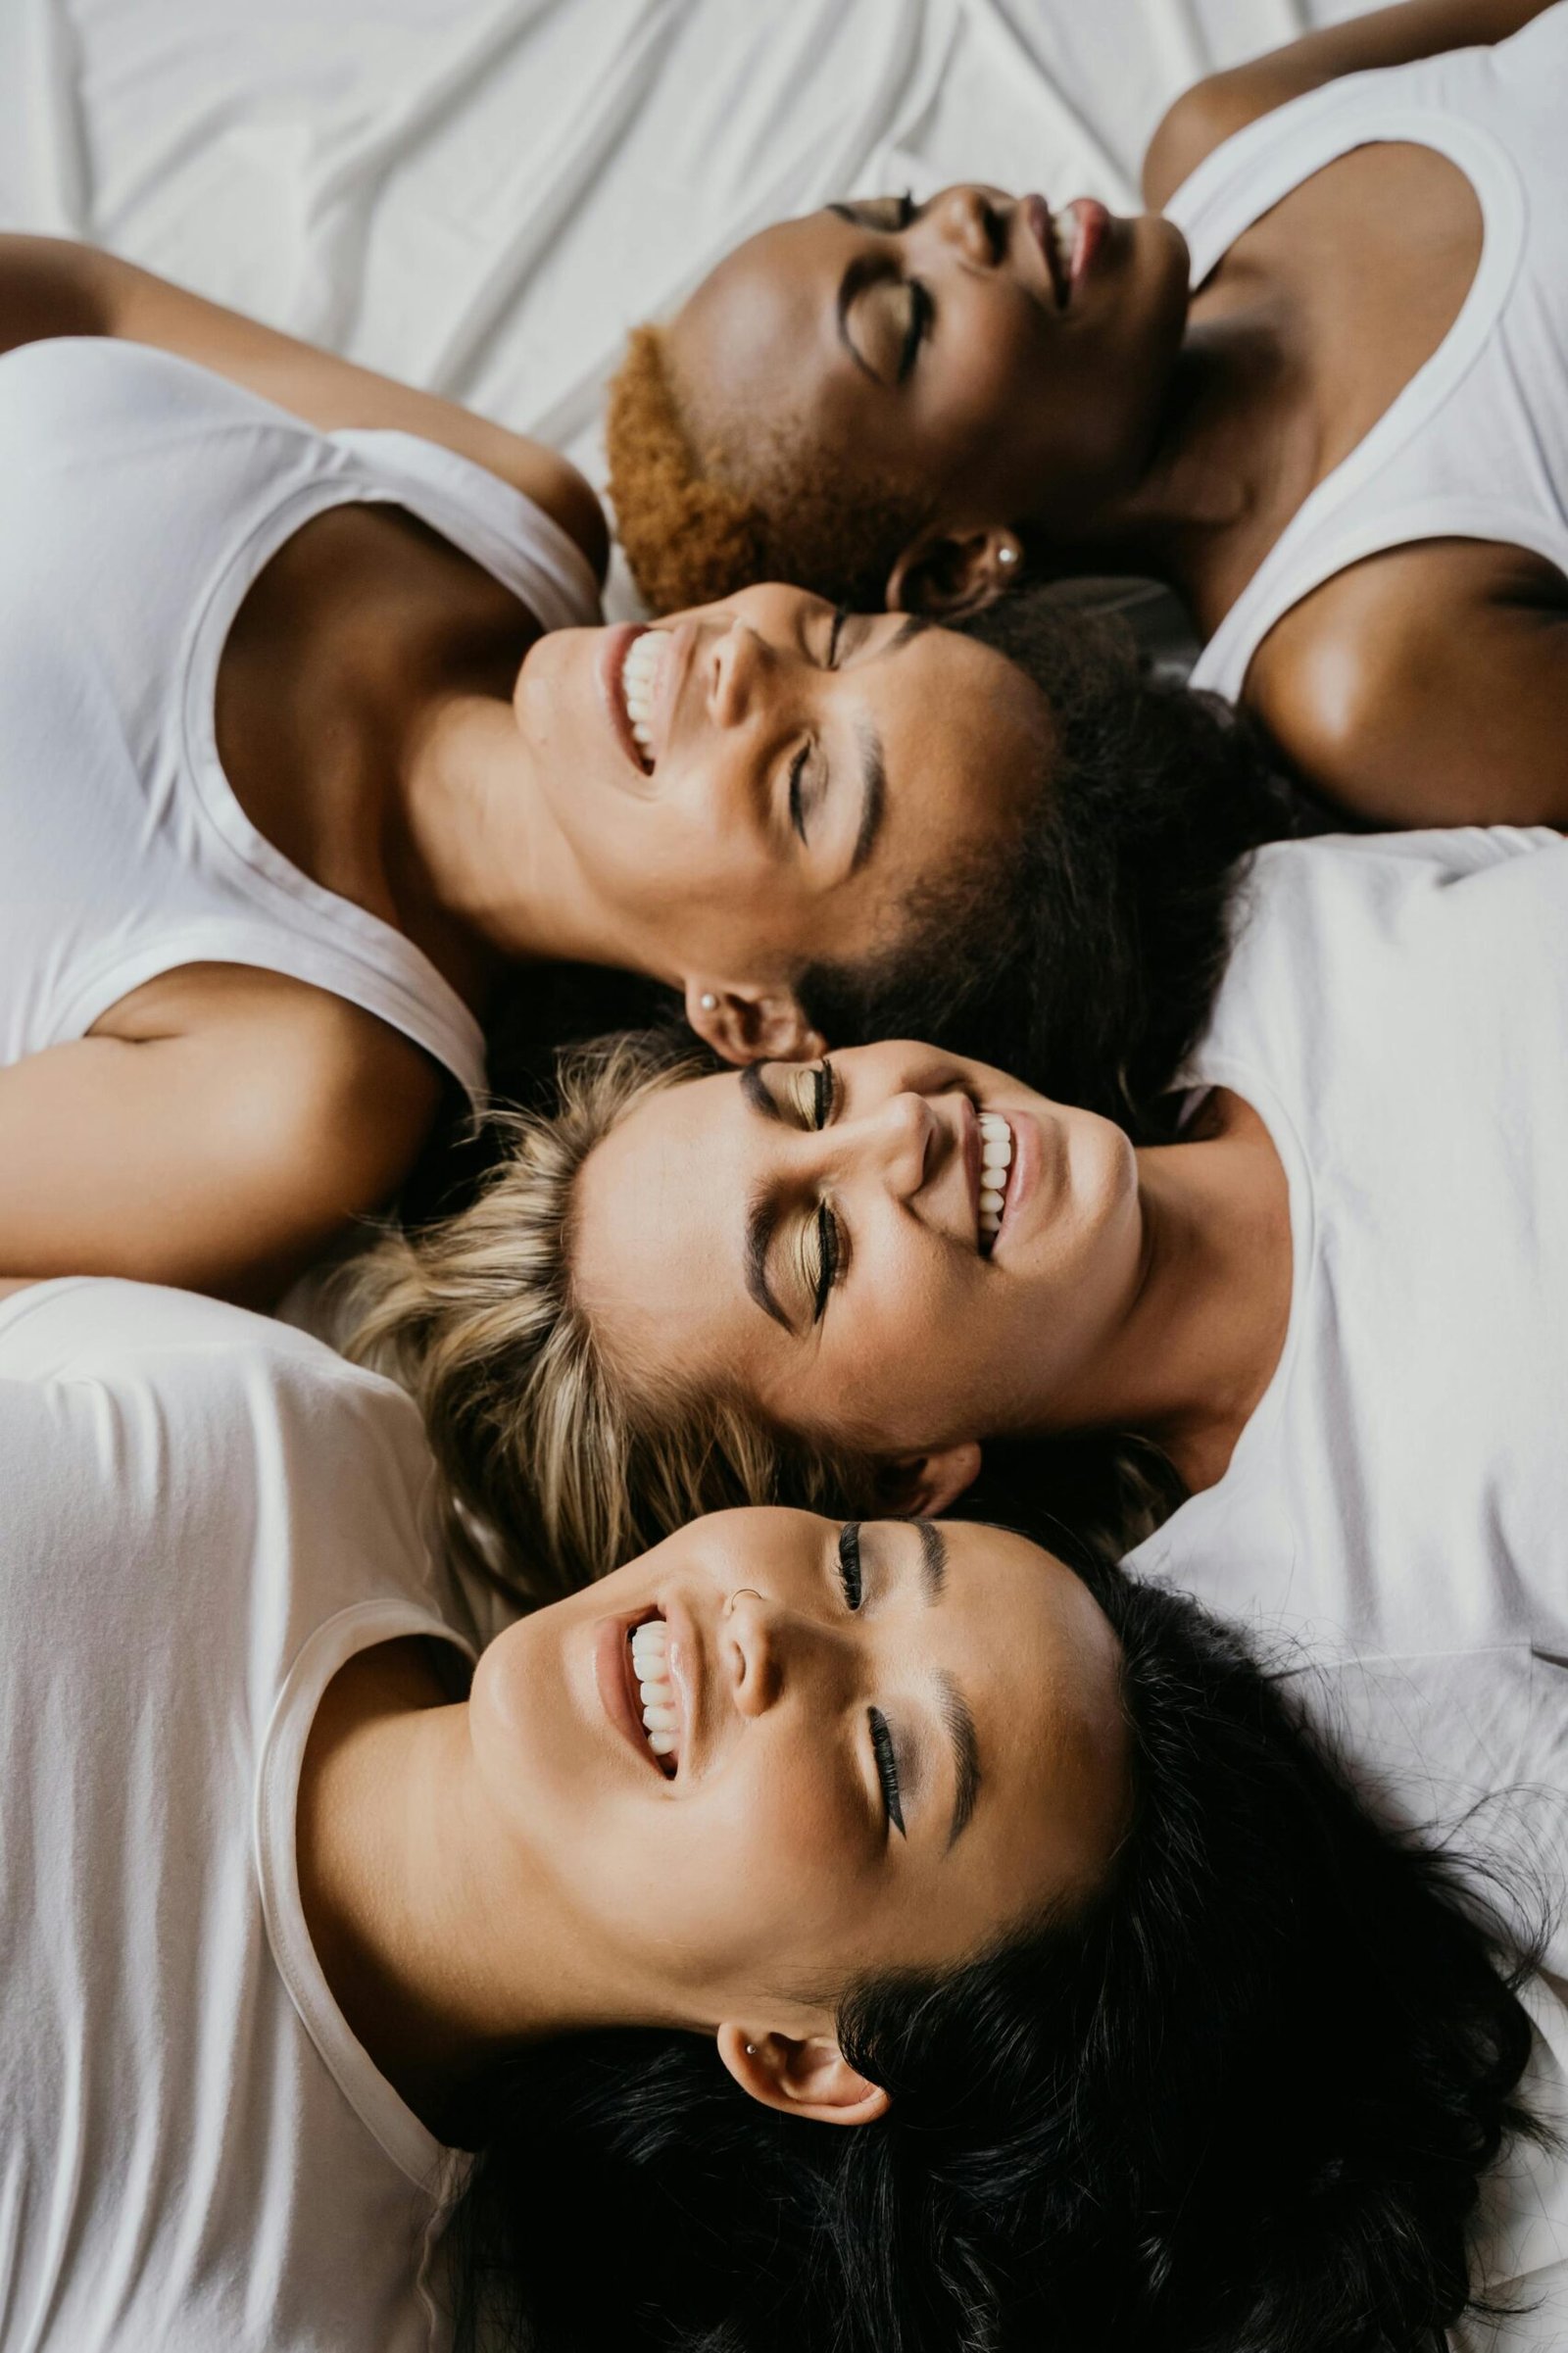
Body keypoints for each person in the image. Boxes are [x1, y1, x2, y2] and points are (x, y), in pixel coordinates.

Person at [0, 1268, 1550, 2353]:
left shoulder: (246, 2311)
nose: (767, 1633)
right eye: (862, 1568)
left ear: (806, 2057)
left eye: (889, 1766)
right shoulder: (282, 1437)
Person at [0, 239, 1276, 1299]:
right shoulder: (509, 504)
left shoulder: (302, 1094)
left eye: (806, 784)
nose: (748, 663)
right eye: (839, 637)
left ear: (753, 1017)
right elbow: (83, 304)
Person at [608, 0, 1568, 827]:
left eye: (895, 210)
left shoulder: (1230, 134)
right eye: (908, 317)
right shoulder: (1365, 666)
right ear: (957, 565)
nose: (958, 219)